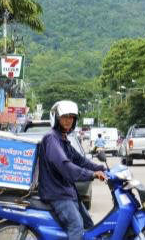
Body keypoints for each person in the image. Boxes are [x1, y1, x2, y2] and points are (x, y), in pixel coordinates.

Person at [39, 100, 107, 240]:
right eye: (65, 117)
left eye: (71, 117)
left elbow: (81, 160)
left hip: (67, 192)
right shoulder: (52, 139)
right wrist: (92, 174)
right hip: (57, 193)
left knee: (89, 225)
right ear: (57, 118)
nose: (68, 120)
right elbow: (66, 167)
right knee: (76, 226)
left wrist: (102, 168)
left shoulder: (63, 139)